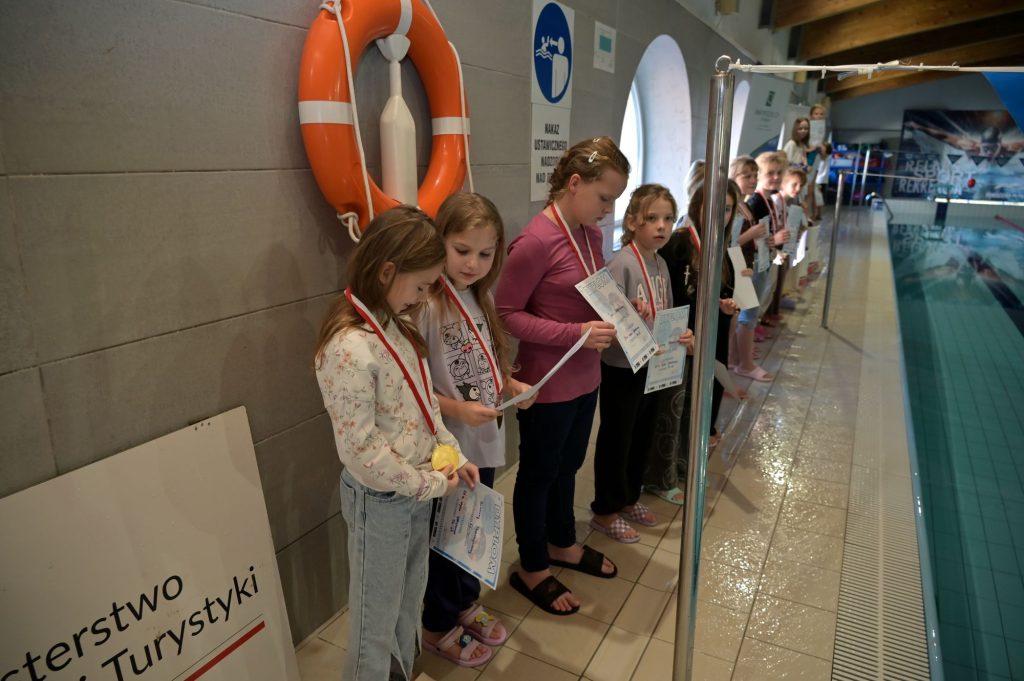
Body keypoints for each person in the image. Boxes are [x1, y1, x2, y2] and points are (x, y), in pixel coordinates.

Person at [314, 206, 481, 681]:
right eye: (422, 286)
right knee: (376, 618)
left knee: (408, 600)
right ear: (387, 271)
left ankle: (400, 674)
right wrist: (428, 484)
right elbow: (361, 450)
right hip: (381, 499)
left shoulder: (397, 325)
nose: (425, 297)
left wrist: (453, 453)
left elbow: (425, 407)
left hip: (414, 491)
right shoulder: (349, 346)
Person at [495, 136, 629, 615]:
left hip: (586, 376)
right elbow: (506, 314)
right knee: (538, 474)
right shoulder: (535, 242)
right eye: (604, 198)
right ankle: (532, 566)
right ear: (574, 183)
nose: (608, 211)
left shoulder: (589, 235)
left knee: (569, 465)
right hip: (546, 382)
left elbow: (593, 294)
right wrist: (575, 333)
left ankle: (562, 542)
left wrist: (623, 313)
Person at [417, 193, 535, 666]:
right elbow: (413, 388)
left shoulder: (478, 296)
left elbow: (484, 361)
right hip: (448, 448)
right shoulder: (426, 304)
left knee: (472, 529)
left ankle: (464, 603)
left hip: (481, 442)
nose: (473, 263)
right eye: (462, 250)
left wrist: (510, 384)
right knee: (447, 538)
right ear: (439, 241)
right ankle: (436, 624)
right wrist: (457, 410)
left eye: (485, 254)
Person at [590, 184, 693, 541]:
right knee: (617, 439)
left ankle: (629, 496)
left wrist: (679, 335)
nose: (662, 226)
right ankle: (605, 511)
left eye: (668, 218)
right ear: (633, 222)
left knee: (641, 435)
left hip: (654, 364)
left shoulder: (660, 262)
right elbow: (609, 316)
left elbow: (664, 313)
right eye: (652, 218)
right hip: (623, 367)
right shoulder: (622, 263)